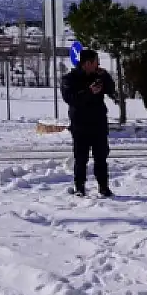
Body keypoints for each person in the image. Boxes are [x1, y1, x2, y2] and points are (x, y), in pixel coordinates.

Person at [60, 49, 117, 198]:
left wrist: (106, 77)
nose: (98, 64)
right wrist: (89, 92)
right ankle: (79, 187)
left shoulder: (99, 76)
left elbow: (112, 91)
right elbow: (70, 99)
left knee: (101, 157)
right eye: (96, 61)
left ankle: (103, 187)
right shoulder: (70, 79)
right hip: (80, 125)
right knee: (80, 158)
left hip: (98, 124)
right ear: (87, 63)